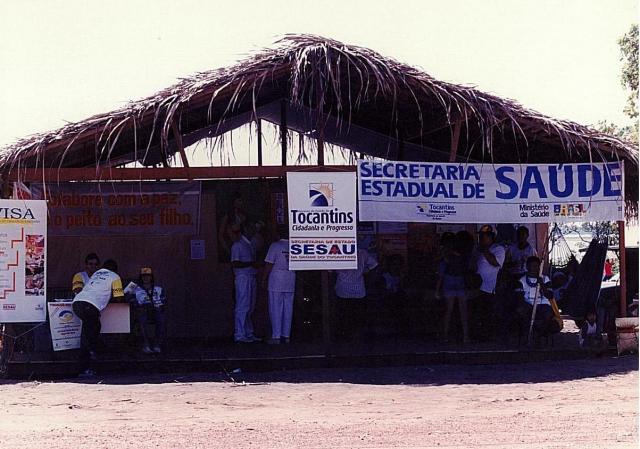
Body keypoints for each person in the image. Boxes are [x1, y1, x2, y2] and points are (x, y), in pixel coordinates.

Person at [72, 259, 124, 377]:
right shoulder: (115, 276)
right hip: (90, 306)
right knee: (90, 338)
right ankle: (86, 368)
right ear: (115, 269)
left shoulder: (96, 274)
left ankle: (87, 365)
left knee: (89, 334)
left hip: (77, 303)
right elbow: (119, 297)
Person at [333, 247, 378, 341]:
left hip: (348, 290)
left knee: (348, 316)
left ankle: (349, 337)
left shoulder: (360, 252)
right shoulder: (361, 252)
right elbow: (374, 265)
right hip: (353, 290)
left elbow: (374, 266)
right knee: (354, 316)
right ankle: (352, 337)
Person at [471, 225, 506, 340]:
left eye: (484, 236)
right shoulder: (478, 249)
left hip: (489, 287)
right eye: (480, 236)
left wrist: (484, 250)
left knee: (487, 313)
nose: (481, 238)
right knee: (477, 312)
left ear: (491, 237)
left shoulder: (498, 249)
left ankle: (489, 336)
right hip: (476, 286)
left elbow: (496, 263)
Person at [262, 226, 296, 345]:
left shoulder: (275, 246)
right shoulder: (294, 245)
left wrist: (264, 278)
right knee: (288, 308)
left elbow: (269, 264)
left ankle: (276, 336)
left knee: (276, 308)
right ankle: (286, 335)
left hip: (277, 278)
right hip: (291, 277)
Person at [436, 232, 471, 343]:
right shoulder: (462, 255)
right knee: (463, 312)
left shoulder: (445, 257)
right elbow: (466, 271)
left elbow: (441, 275)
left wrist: (437, 290)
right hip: (460, 282)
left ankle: (445, 336)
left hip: (449, 282)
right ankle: (466, 337)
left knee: (449, 311)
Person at [515, 256, 558, 338]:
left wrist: (542, 284)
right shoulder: (521, 281)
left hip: (543, 305)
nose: (535, 268)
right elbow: (519, 298)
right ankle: (527, 335)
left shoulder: (545, 279)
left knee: (547, 314)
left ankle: (540, 336)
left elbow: (550, 295)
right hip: (528, 305)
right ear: (527, 267)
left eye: (537, 266)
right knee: (520, 311)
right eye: (532, 266)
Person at [231, 222, 261, 343]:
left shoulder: (250, 244)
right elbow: (234, 263)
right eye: (251, 228)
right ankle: (239, 334)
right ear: (245, 230)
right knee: (242, 305)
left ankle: (248, 332)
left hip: (251, 276)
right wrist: (251, 263)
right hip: (242, 277)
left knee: (250, 306)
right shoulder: (237, 245)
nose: (254, 230)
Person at [133, 267, 166, 354]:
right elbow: (128, 299)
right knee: (141, 317)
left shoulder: (158, 289)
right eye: (143, 276)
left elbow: (163, 301)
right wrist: (137, 304)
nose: (146, 278)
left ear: (151, 277)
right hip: (142, 310)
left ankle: (156, 345)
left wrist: (158, 305)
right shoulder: (135, 289)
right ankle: (146, 345)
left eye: (148, 276)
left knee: (161, 318)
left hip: (155, 310)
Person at [218, 193, 248, 260]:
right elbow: (220, 235)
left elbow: (245, 231)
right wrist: (227, 250)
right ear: (234, 202)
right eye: (239, 200)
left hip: (243, 246)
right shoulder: (227, 216)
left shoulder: (243, 215)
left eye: (242, 200)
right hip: (232, 246)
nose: (242, 203)